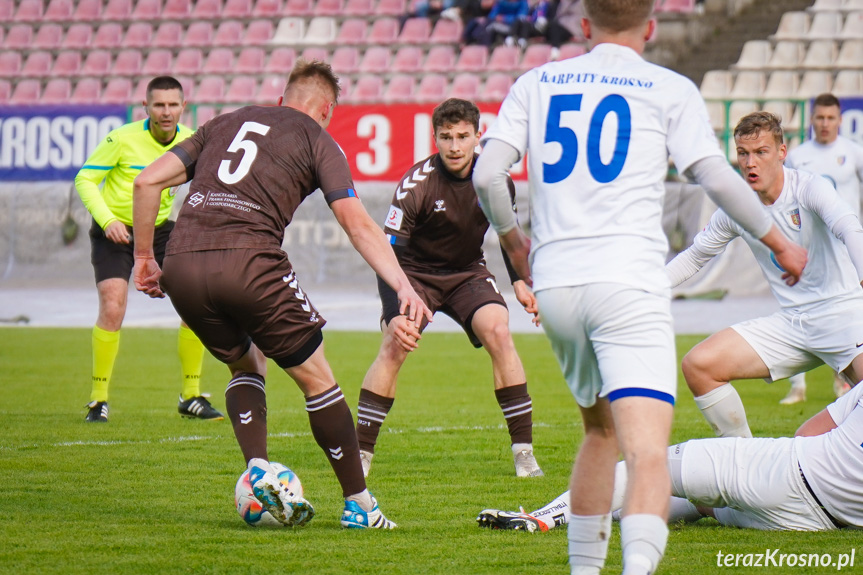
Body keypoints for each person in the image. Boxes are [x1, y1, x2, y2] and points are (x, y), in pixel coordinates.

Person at [472, 1, 807, 573]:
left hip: (558, 285)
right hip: (628, 281)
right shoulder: (667, 87)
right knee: (648, 450)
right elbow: (716, 178)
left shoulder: (538, 81)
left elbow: (486, 174)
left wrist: (513, 240)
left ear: (583, 26)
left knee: (598, 433)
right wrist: (778, 241)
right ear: (651, 27)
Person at [132, 60, 432, 529]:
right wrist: (403, 285)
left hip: (182, 265)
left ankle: (256, 468)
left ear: (282, 99)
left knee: (246, 362)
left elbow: (146, 180)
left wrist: (145, 258)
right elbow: (356, 223)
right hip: (249, 261)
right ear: (327, 110)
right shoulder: (318, 138)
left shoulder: (222, 123)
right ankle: (360, 507)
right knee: (318, 379)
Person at [355, 98, 543, 480]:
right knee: (394, 346)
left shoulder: (495, 181)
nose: (455, 146)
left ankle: (524, 454)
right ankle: (360, 456)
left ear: (478, 136)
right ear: (435, 138)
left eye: (462, 137)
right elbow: (386, 254)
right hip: (412, 277)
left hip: (466, 274)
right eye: (446, 137)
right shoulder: (415, 185)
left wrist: (521, 281)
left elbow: (509, 236)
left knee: (499, 331)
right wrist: (393, 315)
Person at [669, 111, 863, 441]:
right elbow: (692, 258)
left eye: (761, 152)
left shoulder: (807, 188)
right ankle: (742, 467)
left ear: (782, 153)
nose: (750, 163)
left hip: (845, 315)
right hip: (792, 324)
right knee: (699, 365)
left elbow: (848, 226)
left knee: (808, 441)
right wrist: (638, 291)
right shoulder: (736, 207)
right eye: (743, 153)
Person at [478, 376, 863, 533]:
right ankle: (607, 518)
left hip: (788, 471)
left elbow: (808, 432)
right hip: (820, 522)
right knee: (704, 504)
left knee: (648, 466)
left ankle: (541, 518)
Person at [74, 75, 222, 423]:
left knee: (195, 302)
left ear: (184, 108)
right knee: (113, 307)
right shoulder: (122, 139)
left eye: (173, 105)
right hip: (116, 233)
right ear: (146, 107)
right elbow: (85, 178)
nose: (166, 111)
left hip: (161, 231)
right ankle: (98, 400)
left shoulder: (192, 141)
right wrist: (108, 219)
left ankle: (191, 395)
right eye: (159, 104)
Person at [779, 93, 863, 405]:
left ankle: (844, 384)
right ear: (811, 120)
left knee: (849, 313)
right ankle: (797, 387)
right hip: (809, 247)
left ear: (840, 120)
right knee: (798, 308)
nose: (825, 124)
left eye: (831, 118)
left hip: (846, 246)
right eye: (819, 118)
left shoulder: (853, 153)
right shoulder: (798, 155)